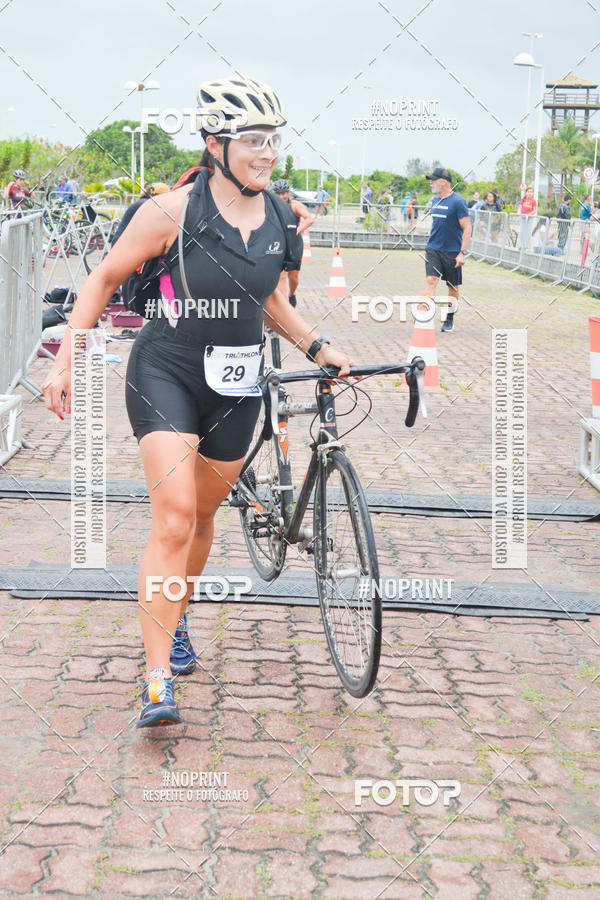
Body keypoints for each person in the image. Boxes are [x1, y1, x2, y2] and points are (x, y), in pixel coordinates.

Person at [41, 74, 354, 728]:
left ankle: (175, 617)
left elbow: (267, 298)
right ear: (215, 143)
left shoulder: (275, 214)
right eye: (252, 140)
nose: (266, 153)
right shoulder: (172, 212)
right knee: (175, 516)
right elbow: (102, 278)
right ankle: (157, 681)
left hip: (238, 385)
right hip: (167, 371)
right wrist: (67, 356)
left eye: (273, 139)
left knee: (206, 518)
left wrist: (316, 345)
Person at [422, 166, 471, 333]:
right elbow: (436, 226)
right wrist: (428, 247)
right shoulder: (435, 201)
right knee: (431, 281)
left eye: (433, 180)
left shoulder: (458, 202)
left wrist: (462, 253)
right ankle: (424, 317)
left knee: (452, 287)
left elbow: (467, 228)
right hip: (434, 249)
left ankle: (449, 318)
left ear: (443, 182)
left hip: (452, 252)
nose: (431, 183)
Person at [272, 178, 315, 306]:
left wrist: (297, 230)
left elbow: (309, 219)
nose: (281, 196)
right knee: (282, 276)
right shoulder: (272, 206)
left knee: (293, 277)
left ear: (288, 193)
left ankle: (292, 294)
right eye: (278, 193)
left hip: (294, 245)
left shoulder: (295, 205)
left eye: (284, 193)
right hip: (279, 244)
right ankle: (283, 307)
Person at [518, 185, 537, 250]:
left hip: (530, 218)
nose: (530, 193)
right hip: (523, 218)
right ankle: (521, 245)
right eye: (528, 192)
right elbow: (520, 208)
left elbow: (534, 210)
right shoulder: (523, 200)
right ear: (526, 192)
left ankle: (526, 246)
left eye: (531, 192)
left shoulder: (533, 201)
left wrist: (528, 215)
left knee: (528, 232)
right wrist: (520, 214)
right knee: (522, 232)